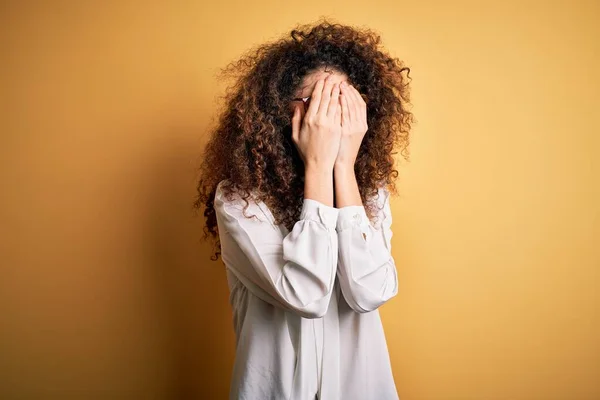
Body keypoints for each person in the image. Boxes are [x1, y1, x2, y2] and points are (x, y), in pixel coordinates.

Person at [193, 19, 413, 400]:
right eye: (319, 104)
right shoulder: (240, 200)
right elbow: (306, 296)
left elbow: (369, 292)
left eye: (343, 104)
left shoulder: (370, 194)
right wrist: (317, 167)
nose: (331, 119)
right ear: (283, 111)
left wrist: (342, 168)